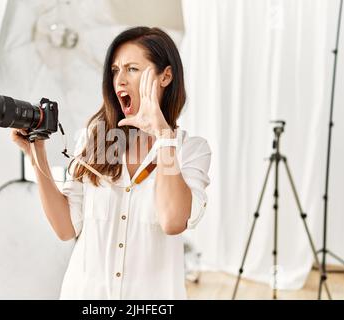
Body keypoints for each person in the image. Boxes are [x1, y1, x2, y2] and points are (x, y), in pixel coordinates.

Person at [11, 26, 211, 299]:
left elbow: (172, 221)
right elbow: (65, 228)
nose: (120, 81)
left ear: (165, 76)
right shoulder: (94, 141)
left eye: (132, 69)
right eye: (115, 70)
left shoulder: (192, 150)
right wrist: (37, 156)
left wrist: (163, 136)